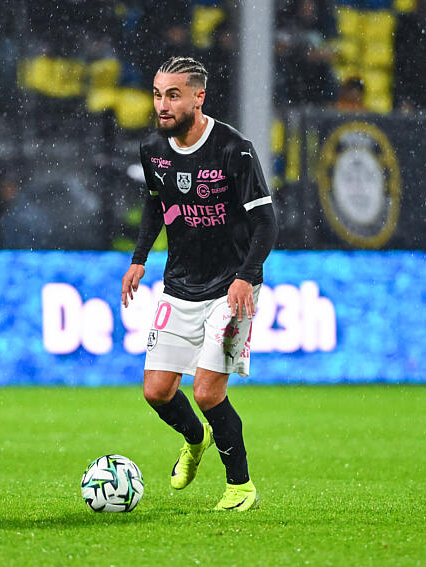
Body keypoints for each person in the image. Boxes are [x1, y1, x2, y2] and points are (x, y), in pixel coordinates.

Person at [121, 56, 278, 511]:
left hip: (232, 287)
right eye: (156, 94)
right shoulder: (153, 150)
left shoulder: (234, 148)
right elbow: (156, 204)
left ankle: (240, 486)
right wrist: (139, 259)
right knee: (156, 391)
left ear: (197, 97)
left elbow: (266, 223)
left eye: (172, 95)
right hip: (179, 285)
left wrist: (248, 277)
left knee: (208, 392)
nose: (162, 104)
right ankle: (195, 439)